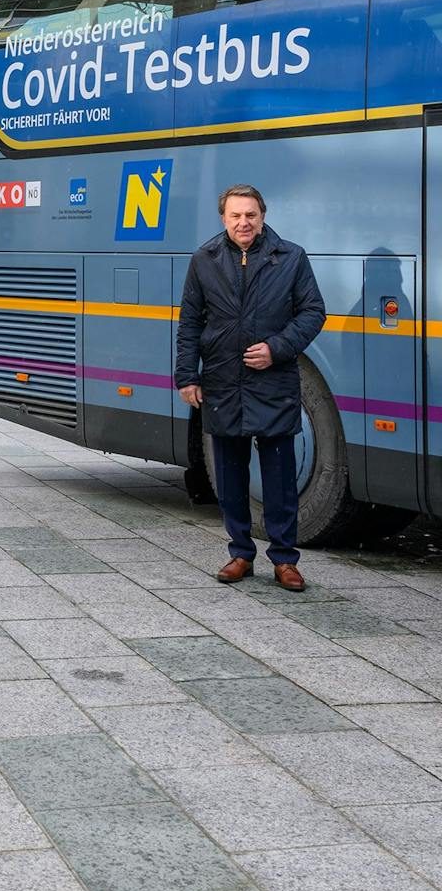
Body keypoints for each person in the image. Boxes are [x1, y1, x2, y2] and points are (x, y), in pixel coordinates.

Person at [176, 184, 325, 592]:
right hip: (222, 380)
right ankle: (240, 553)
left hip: (273, 381)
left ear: (263, 217)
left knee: (279, 479)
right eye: (236, 216)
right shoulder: (203, 260)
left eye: (251, 215)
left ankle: (285, 560)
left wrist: (277, 349)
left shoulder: (290, 257)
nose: (244, 223)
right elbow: (189, 322)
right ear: (223, 219)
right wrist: (187, 376)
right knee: (229, 476)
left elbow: (314, 312)